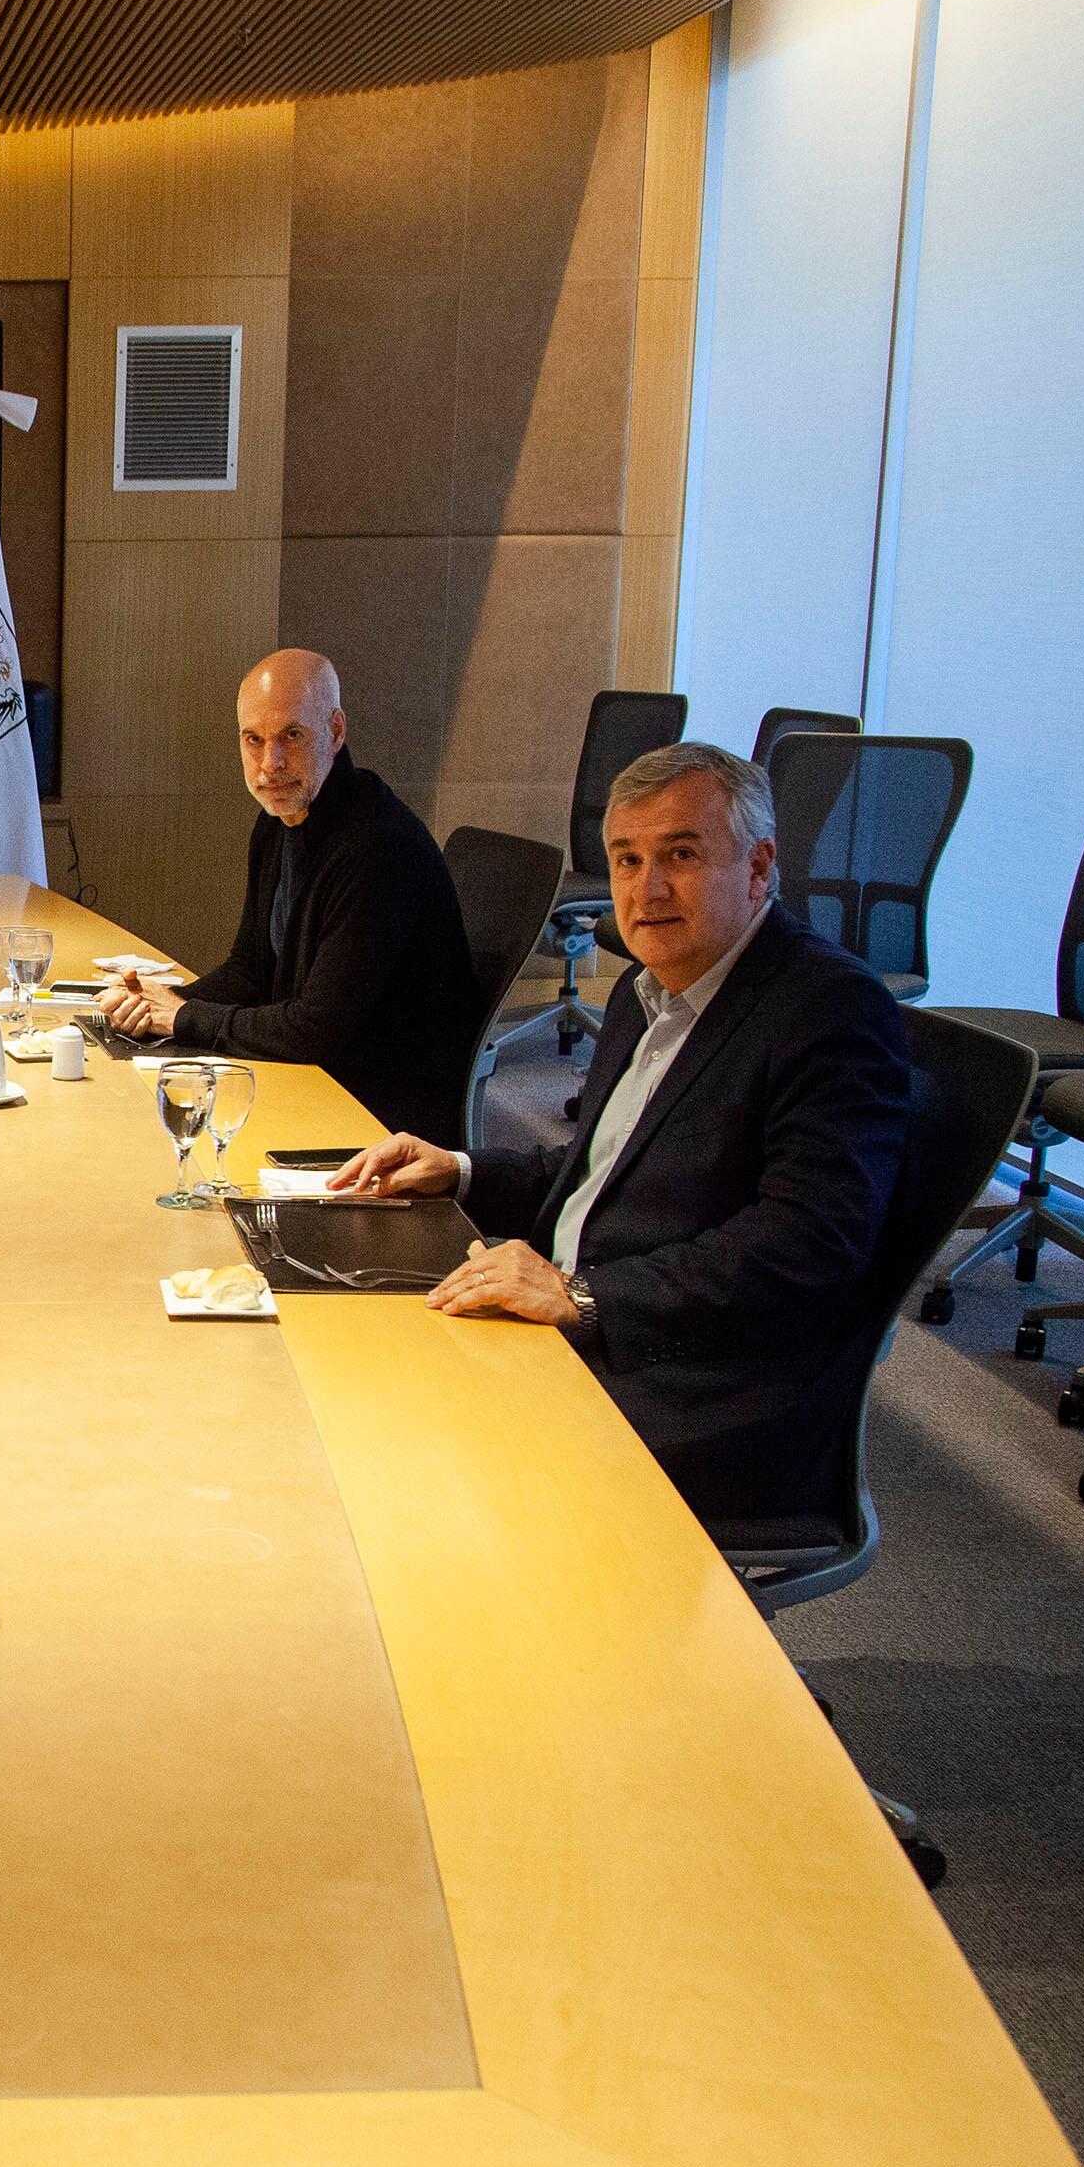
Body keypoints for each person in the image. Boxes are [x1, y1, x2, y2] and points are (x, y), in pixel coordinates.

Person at [326, 743, 911, 1529]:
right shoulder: (649, 988)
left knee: (402, 1453)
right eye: (627, 860)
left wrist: (582, 1297)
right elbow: (601, 1171)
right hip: (587, 1322)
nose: (649, 888)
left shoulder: (827, 1010)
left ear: (759, 866)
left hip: (698, 1381)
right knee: (344, 1350)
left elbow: (804, 1245)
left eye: (681, 854)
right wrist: (460, 1169)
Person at [95, 649, 481, 1140]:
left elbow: (315, 1033)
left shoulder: (378, 845)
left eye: (291, 737)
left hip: (376, 1118)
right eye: (253, 740)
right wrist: (160, 1004)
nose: (269, 764)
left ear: (336, 732)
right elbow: (251, 968)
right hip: (311, 1079)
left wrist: (185, 1016)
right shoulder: (277, 821)